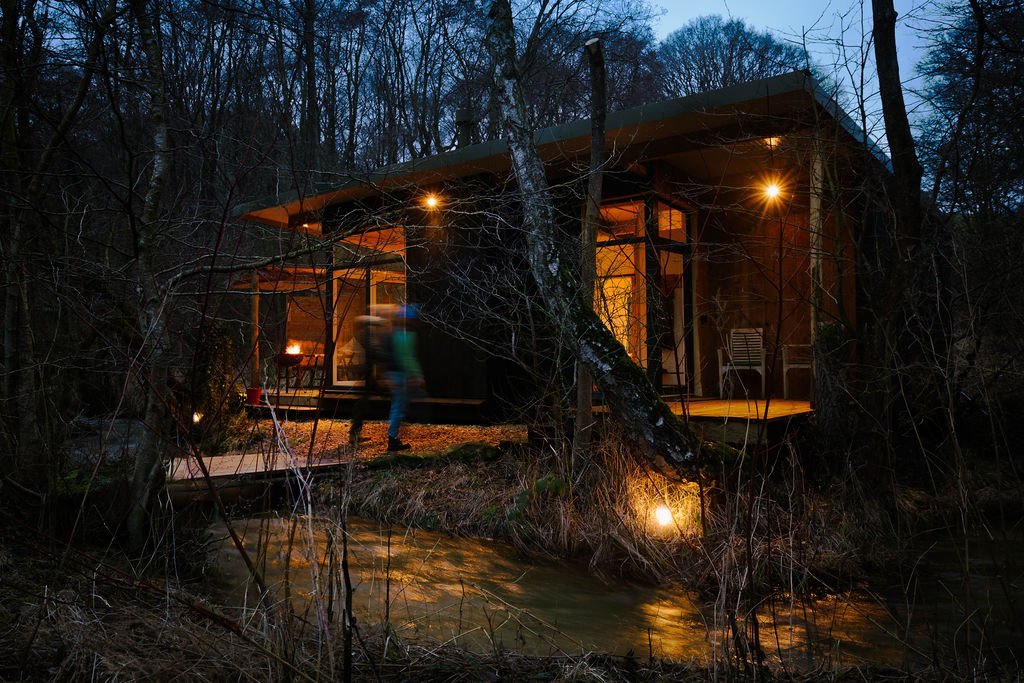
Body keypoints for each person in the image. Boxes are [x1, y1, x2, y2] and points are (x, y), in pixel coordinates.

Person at [385, 304, 424, 452]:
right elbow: (408, 358)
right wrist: (417, 375)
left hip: (394, 373)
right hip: (400, 374)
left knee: (398, 406)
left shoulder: (393, 333)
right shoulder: (406, 335)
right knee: (399, 407)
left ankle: (394, 437)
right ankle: (392, 439)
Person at [347, 313, 387, 447]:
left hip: (364, 372)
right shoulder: (365, 334)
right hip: (366, 372)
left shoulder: (360, 333)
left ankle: (355, 433)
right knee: (363, 402)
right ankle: (354, 434)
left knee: (364, 401)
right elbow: (372, 351)